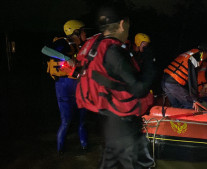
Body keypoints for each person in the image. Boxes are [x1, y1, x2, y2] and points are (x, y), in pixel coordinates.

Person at [75, 5, 155, 169]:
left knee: (110, 163)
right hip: (122, 124)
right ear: (122, 24)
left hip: (105, 120)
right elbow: (140, 89)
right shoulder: (113, 51)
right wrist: (149, 60)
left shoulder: (96, 46)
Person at [43, 20, 88, 155]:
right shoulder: (63, 43)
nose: (85, 33)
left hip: (78, 87)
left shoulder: (80, 46)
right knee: (66, 121)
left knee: (82, 120)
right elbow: (45, 49)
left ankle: (85, 146)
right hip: (64, 87)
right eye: (83, 30)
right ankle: (60, 150)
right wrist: (65, 58)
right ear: (76, 32)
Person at [162, 46, 207, 111]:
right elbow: (192, 79)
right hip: (174, 83)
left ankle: (177, 120)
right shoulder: (196, 56)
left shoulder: (191, 52)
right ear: (205, 52)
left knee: (176, 106)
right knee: (191, 106)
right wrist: (194, 99)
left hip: (165, 81)